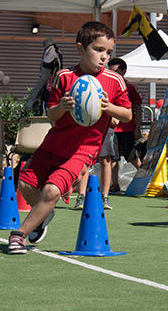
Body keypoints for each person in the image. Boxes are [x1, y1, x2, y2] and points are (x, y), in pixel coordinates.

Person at [8, 21, 132, 254]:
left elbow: (127, 114)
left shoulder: (114, 81)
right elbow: (52, 114)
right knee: (25, 184)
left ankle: (19, 235)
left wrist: (109, 107)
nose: (104, 57)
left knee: (52, 191)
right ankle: (44, 213)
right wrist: (63, 106)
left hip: (83, 150)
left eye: (109, 52)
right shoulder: (64, 77)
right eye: (98, 49)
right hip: (53, 143)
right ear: (80, 49)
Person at [108, 58, 142, 193]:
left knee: (131, 155)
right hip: (112, 128)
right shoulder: (107, 85)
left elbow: (138, 107)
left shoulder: (131, 87)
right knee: (113, 157)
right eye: (110, 71)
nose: (113, 74)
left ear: (124, 71)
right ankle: (115, 184)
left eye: (115, 71)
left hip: (128, 128)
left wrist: (137, 127)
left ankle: (144, 177)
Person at [74, 121, 117, 211]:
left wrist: (116, 116)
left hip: (106, 124)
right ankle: (81, 197)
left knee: (105, 159)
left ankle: (105, 197)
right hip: (87, 123)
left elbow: (122, 108)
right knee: (85, 159)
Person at [25, 37, 63, 115]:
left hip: (49, 93)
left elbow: (44, 77)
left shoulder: (50, 52)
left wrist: (31, 100)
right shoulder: (56, 50)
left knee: (45, 120)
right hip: (55, 91)